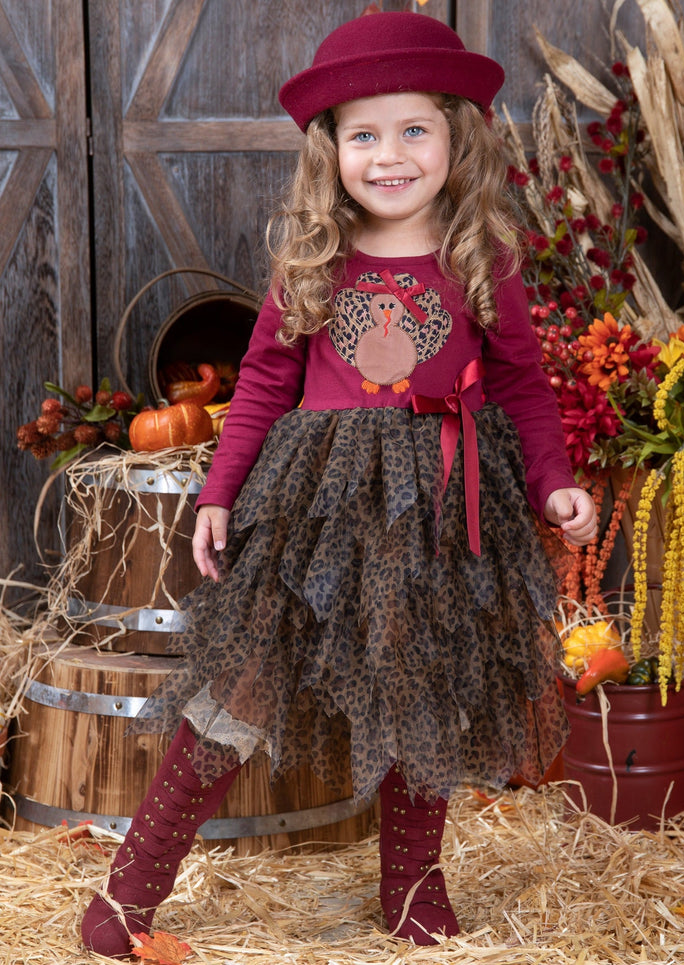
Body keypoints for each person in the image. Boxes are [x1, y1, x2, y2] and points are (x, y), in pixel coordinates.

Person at [82, 10, 596, 956]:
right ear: (331, 149)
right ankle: (130, 888)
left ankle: (413, 886)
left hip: (440, 504)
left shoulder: (483, 256)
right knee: (245, 680)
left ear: (456, 137)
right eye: (365, 135)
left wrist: (553, 480)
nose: (390, 156)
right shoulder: (314, 260)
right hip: (317, 505)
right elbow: (262, 384)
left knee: (421, 680)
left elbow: (523, 383)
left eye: (414, 130)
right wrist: (219, 492)